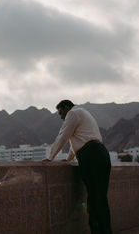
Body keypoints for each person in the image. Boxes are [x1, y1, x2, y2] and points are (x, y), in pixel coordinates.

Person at [42, 100, 112, 234]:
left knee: (94, 198)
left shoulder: (73, 114)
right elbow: (78, 140)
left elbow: (63, 136)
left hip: (91, 156)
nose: (61, 117)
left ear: (67, 107)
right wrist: (69, 158)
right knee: (100, 197)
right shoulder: (83, 113)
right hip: (101, 153)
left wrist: (50, 157)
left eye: (61, 112)